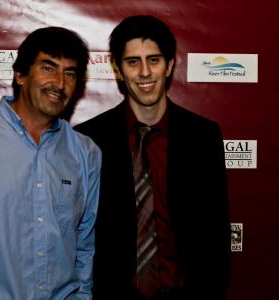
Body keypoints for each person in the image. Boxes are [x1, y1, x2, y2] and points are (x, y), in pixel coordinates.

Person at [74, 15, 231, 300]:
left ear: (169, 65)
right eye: (133, 62)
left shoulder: (203, 136)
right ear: (118, 69)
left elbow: (217, 232)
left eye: (154, 60)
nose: (144, 72)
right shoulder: (89, 138)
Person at [0, 27, 101, 300]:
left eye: (69, 73)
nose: (59, 83)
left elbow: (85, 245)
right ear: (20, 74)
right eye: (49, 67)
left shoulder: (86, 153)